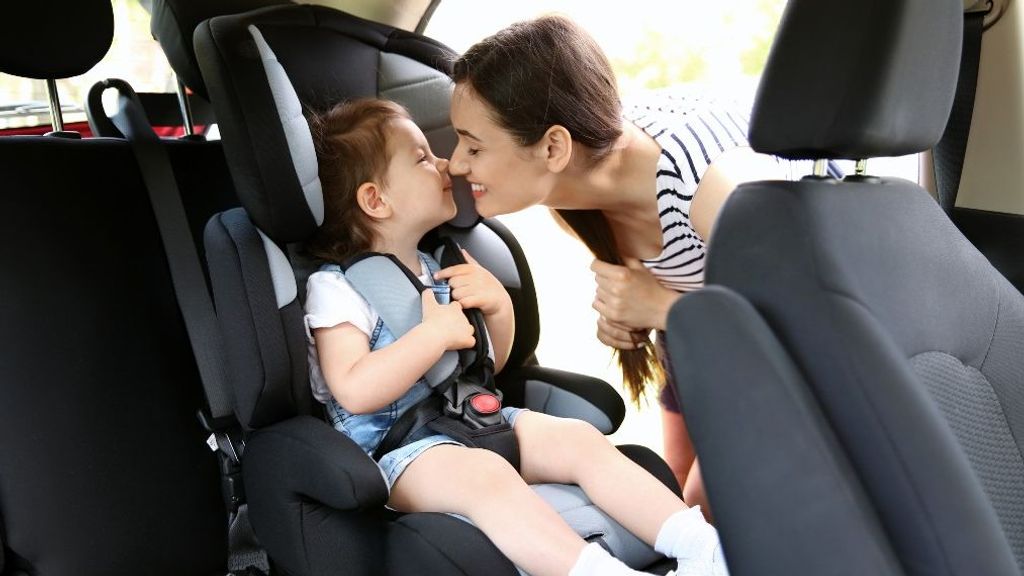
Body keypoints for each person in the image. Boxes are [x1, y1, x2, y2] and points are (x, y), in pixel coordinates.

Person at [302, 98, 728, 576]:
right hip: (402, 454)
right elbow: (354, 390)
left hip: (477, 419)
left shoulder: (443, 262)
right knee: (487, 478)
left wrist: (498, 308)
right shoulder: (336, 288)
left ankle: (704, 548)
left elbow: (491, 365)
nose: (445, 163)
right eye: (422, 157)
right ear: (375, 200)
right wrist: (432, 335)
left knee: (577, 440)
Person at [448, 14, 793, 520]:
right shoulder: (574, 184)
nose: (455, 164)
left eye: (474, 146)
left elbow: (807, 327)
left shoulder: (709, 188)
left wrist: (661, 306)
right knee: (669, 486)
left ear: (553, 147)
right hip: (709, 344)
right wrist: (638, 310)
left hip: (784, 364)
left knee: (701, 509)